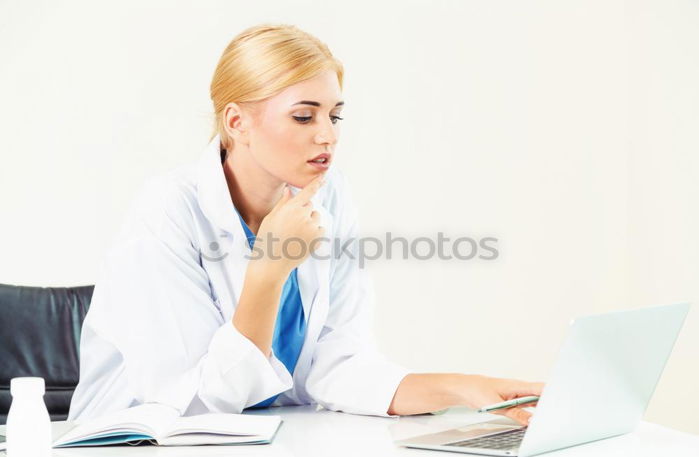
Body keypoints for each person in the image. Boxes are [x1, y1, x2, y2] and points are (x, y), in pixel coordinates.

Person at [68, 24, 543, 425]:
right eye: (303, 116)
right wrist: (269, 270)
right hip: (137, 452)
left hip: (267, 443)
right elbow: (197, 403)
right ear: (237, 122)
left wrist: (470, 391)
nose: (328, 135)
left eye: (335, 115)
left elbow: (338, 364)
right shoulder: (167, 210)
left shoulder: (328, 195)